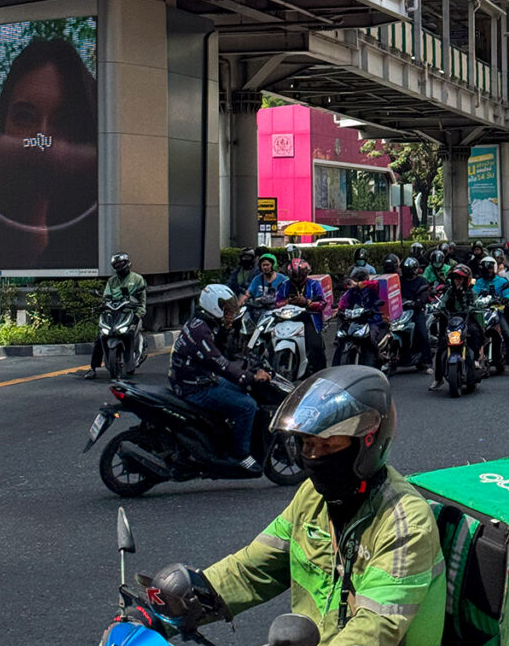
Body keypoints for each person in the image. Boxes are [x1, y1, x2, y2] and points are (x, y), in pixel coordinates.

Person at [138, 367, 445, 645]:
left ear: (368, 441)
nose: (313, 456)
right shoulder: (311, 498)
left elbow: (374, 630)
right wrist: (169, 608)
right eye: (307, 445)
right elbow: (250, 569)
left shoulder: (405, 524)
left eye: (327, 445)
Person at [0, 36, 98, 270]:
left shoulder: (102, 220)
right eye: (24, 116)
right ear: (3, 125)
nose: (42, 136)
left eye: (63, 120)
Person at [167, 284, 271, 473]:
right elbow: (221, 364)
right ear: (214, 306)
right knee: (247, 406)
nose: (230, 312)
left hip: (199, 378)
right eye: (226, 308)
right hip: (195, 387)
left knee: (240, 391)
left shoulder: (201, 323)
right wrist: (250, 377)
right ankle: (240, 454)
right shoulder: (201, 333)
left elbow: (223, 354)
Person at [85, 252, 147, 380]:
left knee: (129, 334)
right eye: (116, 265)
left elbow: (142, 302)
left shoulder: (137, 279)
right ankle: (92, 368)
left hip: (130, 313)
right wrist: (103, 304)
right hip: (114, 313)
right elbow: (106, 297)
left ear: (127, 264)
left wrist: (138, 314)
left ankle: (132, 360)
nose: (119, 267)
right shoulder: (112, 281)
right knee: (100, 337)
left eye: (121, 264)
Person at [429, 265, 483, 391]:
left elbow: (475, 303)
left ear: (466, 280)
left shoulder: (471, 292)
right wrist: (438, 308)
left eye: (460, 278)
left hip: (467, 320)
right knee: (442, 345)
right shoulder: (449, 291)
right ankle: (438, 379)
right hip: (451, 321)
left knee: (475, 332)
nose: (457, 280)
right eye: (455, 278)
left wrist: (474, 307)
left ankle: (475, 360)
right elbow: (442, 302)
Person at [274, 258, 327, 375]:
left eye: (300, 277)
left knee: (315, 346)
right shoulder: (284, 285)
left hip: (308, 319)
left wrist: (307, 302)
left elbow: (323, 303)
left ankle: (320, 373)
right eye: (294, 277)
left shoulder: (314, 285)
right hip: (287, 319)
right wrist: (288, 301)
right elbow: (277, 303)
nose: (297, 280)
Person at [473, 256, 509, 376]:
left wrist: (504, 299)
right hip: (482, 312)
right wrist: (479, 294)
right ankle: (474, 360)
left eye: (490, 268)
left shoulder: (501, 281)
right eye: (485, 269)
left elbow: (507, 294)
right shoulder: (479, 282)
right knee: (474, 333)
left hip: (498, 311)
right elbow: (473, 294)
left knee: (506, 333)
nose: (488, 271)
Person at [335, 268, 386, 365]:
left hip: (372, 320)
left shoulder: (371, 287)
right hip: (355, 320)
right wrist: (339, 309)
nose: (354, 283)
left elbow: (375, 284)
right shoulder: (351, 291)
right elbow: (343, 302)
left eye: (356, 280)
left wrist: (359, 285)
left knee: (371, 338)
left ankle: (378, 356)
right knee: (341, 338)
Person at [399, 257, 433, 372]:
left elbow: (424, 294)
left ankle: (427, 361)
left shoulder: (421, 281)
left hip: (416, 311)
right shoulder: (399, 280)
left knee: (422, 333)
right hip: (400, 311)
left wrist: (418, 302)